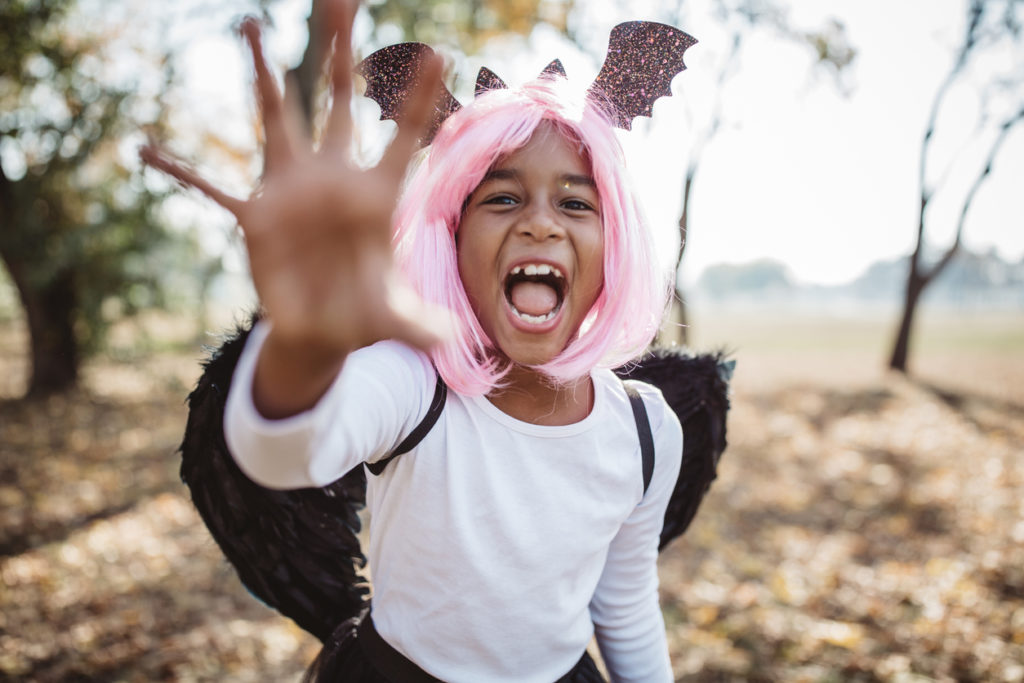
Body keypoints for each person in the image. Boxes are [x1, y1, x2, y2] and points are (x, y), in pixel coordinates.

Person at [143, 1, 694, 680]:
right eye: (501, 198)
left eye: (576, 203)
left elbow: (627, 608)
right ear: (451, 236)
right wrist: (303, 342)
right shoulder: (414, 382)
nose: (541, 225)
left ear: (615, 247)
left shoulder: (645, 429)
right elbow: (287, 453)